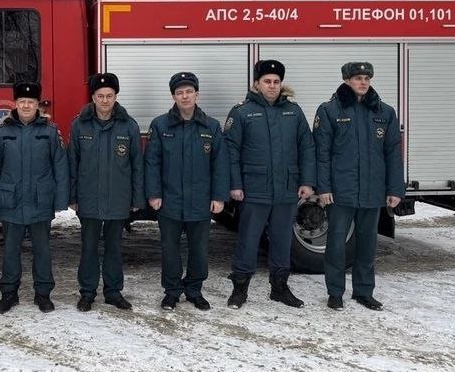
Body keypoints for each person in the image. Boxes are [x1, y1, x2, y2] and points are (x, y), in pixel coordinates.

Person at [223, 59, 315, 309]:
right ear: (256, 84)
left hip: (286, 190)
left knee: (282, 240)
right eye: (267, 81)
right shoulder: (242, 112)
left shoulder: (293, 112)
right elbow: (230, 152)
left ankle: (279, 288)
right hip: (254, 190)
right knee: (248, 241)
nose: (272, 86)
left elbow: (306, 147)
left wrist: (307, 181)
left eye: (276, 82)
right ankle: (240, 290)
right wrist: (235, 184)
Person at [313, 62, 404, 311]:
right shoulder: (329, 110)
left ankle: (364, 291)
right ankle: (335, 292)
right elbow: (322, 153)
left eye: (366, 78)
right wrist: (324, 187)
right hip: (341, 191)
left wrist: (395, 189)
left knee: (367, 245)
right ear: (346, 80)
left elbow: (393, 153)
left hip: (372, 191)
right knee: (335, 244)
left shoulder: (385, 112)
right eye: (357, 78)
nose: (363, 82)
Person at [144, 72, 229, 311]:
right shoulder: (160, 125)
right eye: (180, 92)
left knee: (199, 250)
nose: (185, 96)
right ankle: (171, 292)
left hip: (201, 202)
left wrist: (219, 197)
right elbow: (152, 162)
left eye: (189, 91)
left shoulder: (211, 126)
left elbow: (220, 165)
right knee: (169, 250)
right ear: (173, 96)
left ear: (197, 94)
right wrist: (154, 194)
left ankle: (194, 290)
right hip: (169, 201)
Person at [0, 81, 68, 314]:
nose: (26, 106)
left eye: (30, 102)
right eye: (22, 102)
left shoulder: (50, 132)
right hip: (11, 201)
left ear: (37, 105)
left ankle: (43, 294)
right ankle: (9, 294)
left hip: (41, 201)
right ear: (16, 104)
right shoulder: (3, 132)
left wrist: (61, 200)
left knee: (42, 250)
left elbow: (60, 166)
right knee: (11, 251)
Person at [68, 73, 143, 312]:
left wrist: (136, 198)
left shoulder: (128, 125)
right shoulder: (79, 124)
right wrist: (72, 197)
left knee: (114, 247)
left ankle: (113, 292)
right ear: (92, 97)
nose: (105, 100)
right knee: (88, 247)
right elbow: (72, 163)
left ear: (116, 97)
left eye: (109, 96)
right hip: (88, 198)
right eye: (100, 96)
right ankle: (87, 292)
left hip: (118, 199)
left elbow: (137, 165)